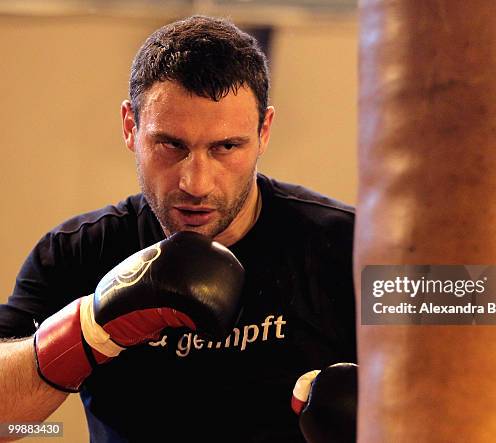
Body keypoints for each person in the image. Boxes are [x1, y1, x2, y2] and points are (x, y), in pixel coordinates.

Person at [0, 15, 356, 442]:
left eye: (226, 147)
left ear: (264, 131)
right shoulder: (75, 252)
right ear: (131, 127)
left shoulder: (351, 245)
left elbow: (457, 310)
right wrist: (87, 331)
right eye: (171, 145)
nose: (196, 183)